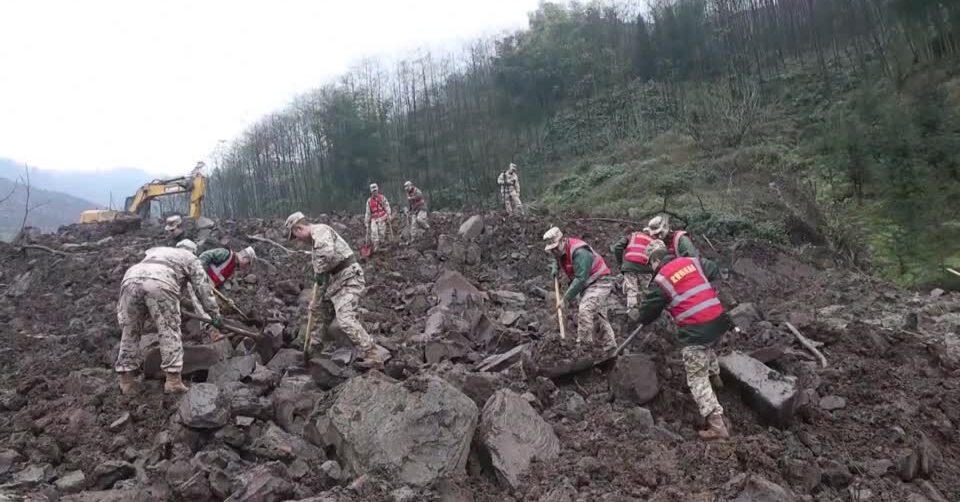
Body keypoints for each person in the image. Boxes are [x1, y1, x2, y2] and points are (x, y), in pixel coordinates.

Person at [636, 246, 732, 440]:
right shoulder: (692, 262)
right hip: (719, 319)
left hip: (696, 329)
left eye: (650, 265)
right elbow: (713, 269)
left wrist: (638, 316)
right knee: (708, 345)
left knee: (696, 378)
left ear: (655, 261)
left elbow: (647, 313)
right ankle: (717, 379)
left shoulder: (661, 279)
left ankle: (717, 426)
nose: (651, 269)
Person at [115, 246, 223, 395]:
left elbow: (181, 296)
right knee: (169, 330)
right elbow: (203, 289)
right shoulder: (192, 259)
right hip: (161, 280)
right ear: (194, 251)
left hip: (131, 277)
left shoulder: (158, 252)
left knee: (130, 330)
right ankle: (173, 381)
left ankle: (126, 380)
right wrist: (215, 315)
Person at [285, 211, 383, 367]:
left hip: (349, 278)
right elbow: (321, 280)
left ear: (298, 229)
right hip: (336, 283)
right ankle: (313, 354)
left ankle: (374, 356)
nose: (298, 240)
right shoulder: (314, 245)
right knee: (319, 313)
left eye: (296, 236)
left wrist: (320, 273)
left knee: (345, 318)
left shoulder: (321, 231)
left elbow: (327, 255)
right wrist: (315, 301)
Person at [544, 226, 616, 349]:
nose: (554, 251)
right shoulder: (560, 250)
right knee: (598, 313)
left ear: (563, 240)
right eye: (552, 250)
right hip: (588, 285)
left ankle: (584, 347)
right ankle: (610, 344)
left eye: (555, 248)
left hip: (600, 282)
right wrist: (555, 268)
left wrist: (565, 299)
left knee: (585, 309)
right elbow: (557, 258)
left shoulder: (580, 252)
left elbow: (581, 279)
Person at [176, 239, 225, 342]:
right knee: (197, 299)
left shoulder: (168, 257)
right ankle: (211, 329)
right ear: (193, 252)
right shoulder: (191, 261)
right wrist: (215, 316)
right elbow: (203, 292)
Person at [611, 233, 666, 319]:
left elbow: (618, 247)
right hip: (646, 268)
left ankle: (632, 311)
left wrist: (620, 264)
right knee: (644, 290)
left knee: (631, 289)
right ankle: (644, 311)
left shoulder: (633, 235)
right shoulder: (654, 241)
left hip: (630, 265)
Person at [364, 183, 392, 252]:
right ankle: (375, 247)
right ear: (371, 191)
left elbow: (387, 206)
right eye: (373, 190)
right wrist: (366, 222)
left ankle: (381, 245)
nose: (375, 192)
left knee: (382, 233)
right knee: (374, 232)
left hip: (382, 218)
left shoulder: (382, 198)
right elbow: (368, 212)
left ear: (377, 190)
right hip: (374, 219)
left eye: (375, 190)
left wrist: (388, 214)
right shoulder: (369, 201)